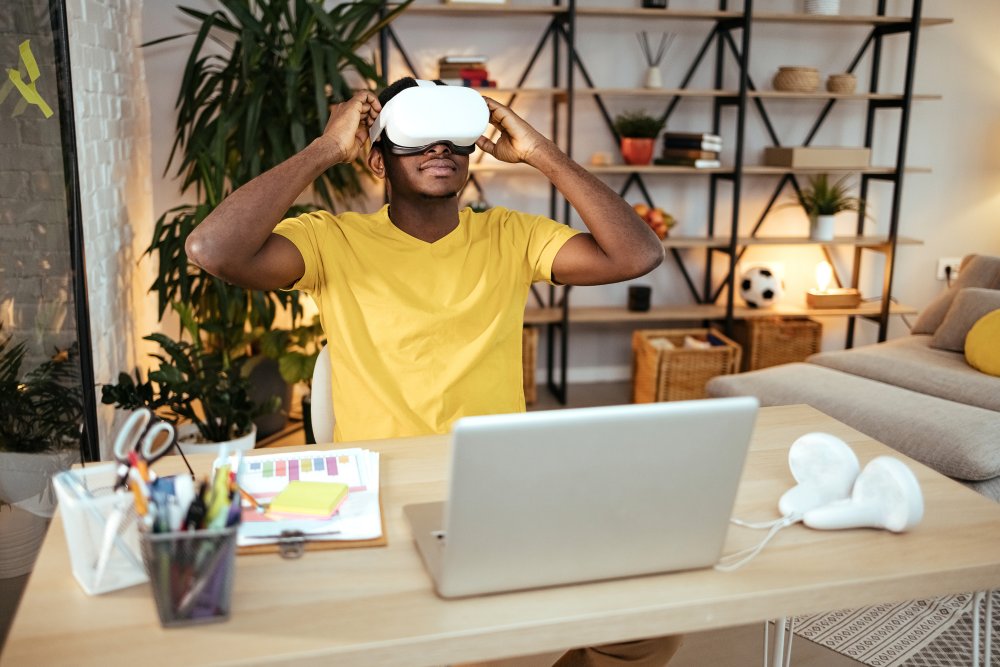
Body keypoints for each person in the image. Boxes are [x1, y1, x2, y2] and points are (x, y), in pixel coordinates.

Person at [187, 78, 679, 665]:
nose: (438, 149)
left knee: (646, 629)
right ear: (377, 159)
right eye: (416, 139)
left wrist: (540, 151)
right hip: (380, 491)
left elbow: (637, 254)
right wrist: (324, 148)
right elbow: (212, 250)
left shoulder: (510, 235)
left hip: (497, 485)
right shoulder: (331, 239)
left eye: (452, 138)